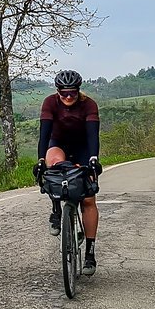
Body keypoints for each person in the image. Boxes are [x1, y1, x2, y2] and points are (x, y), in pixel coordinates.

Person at [33, 69, 102, 275]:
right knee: (53, 164)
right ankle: (56, 209)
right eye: (64, 93)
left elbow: (92, 136)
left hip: (82, 147)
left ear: (78, 91)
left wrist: (93, 160)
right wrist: (40, 160)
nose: (69, 97)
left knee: (88, 200)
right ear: (58, 92)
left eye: (73, 93)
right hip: (58, 143)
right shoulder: (50, 103)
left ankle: (90, 253)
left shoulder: (88, 104)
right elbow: (44, 135)